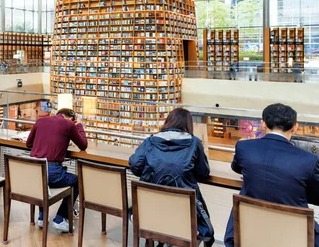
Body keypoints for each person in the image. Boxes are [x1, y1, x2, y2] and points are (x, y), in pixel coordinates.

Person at [224, 103, 319, 247]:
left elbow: (236, 168)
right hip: (294, 235)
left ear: (263, 124)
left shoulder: (244, 147)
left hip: (247, 230)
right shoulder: (309, 160)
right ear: (295, 127)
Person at [129, 108, 214, 245]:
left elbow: (135, 165)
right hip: (184, 212)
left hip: (151, 208)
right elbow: (203, 173)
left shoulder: (150, 141)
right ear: (188, 124)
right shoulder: (194, 143)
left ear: (168, 121)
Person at [26, 108, 88, 233]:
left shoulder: (40, 121)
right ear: (71, 118)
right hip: (53, 172)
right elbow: (83, 145)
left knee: (42, 180)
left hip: (34, 170)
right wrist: (79, 125)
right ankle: (60, 218)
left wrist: (45, 144)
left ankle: (42, 217)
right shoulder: (69, 124)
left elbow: (28, 144)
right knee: (78, 181)